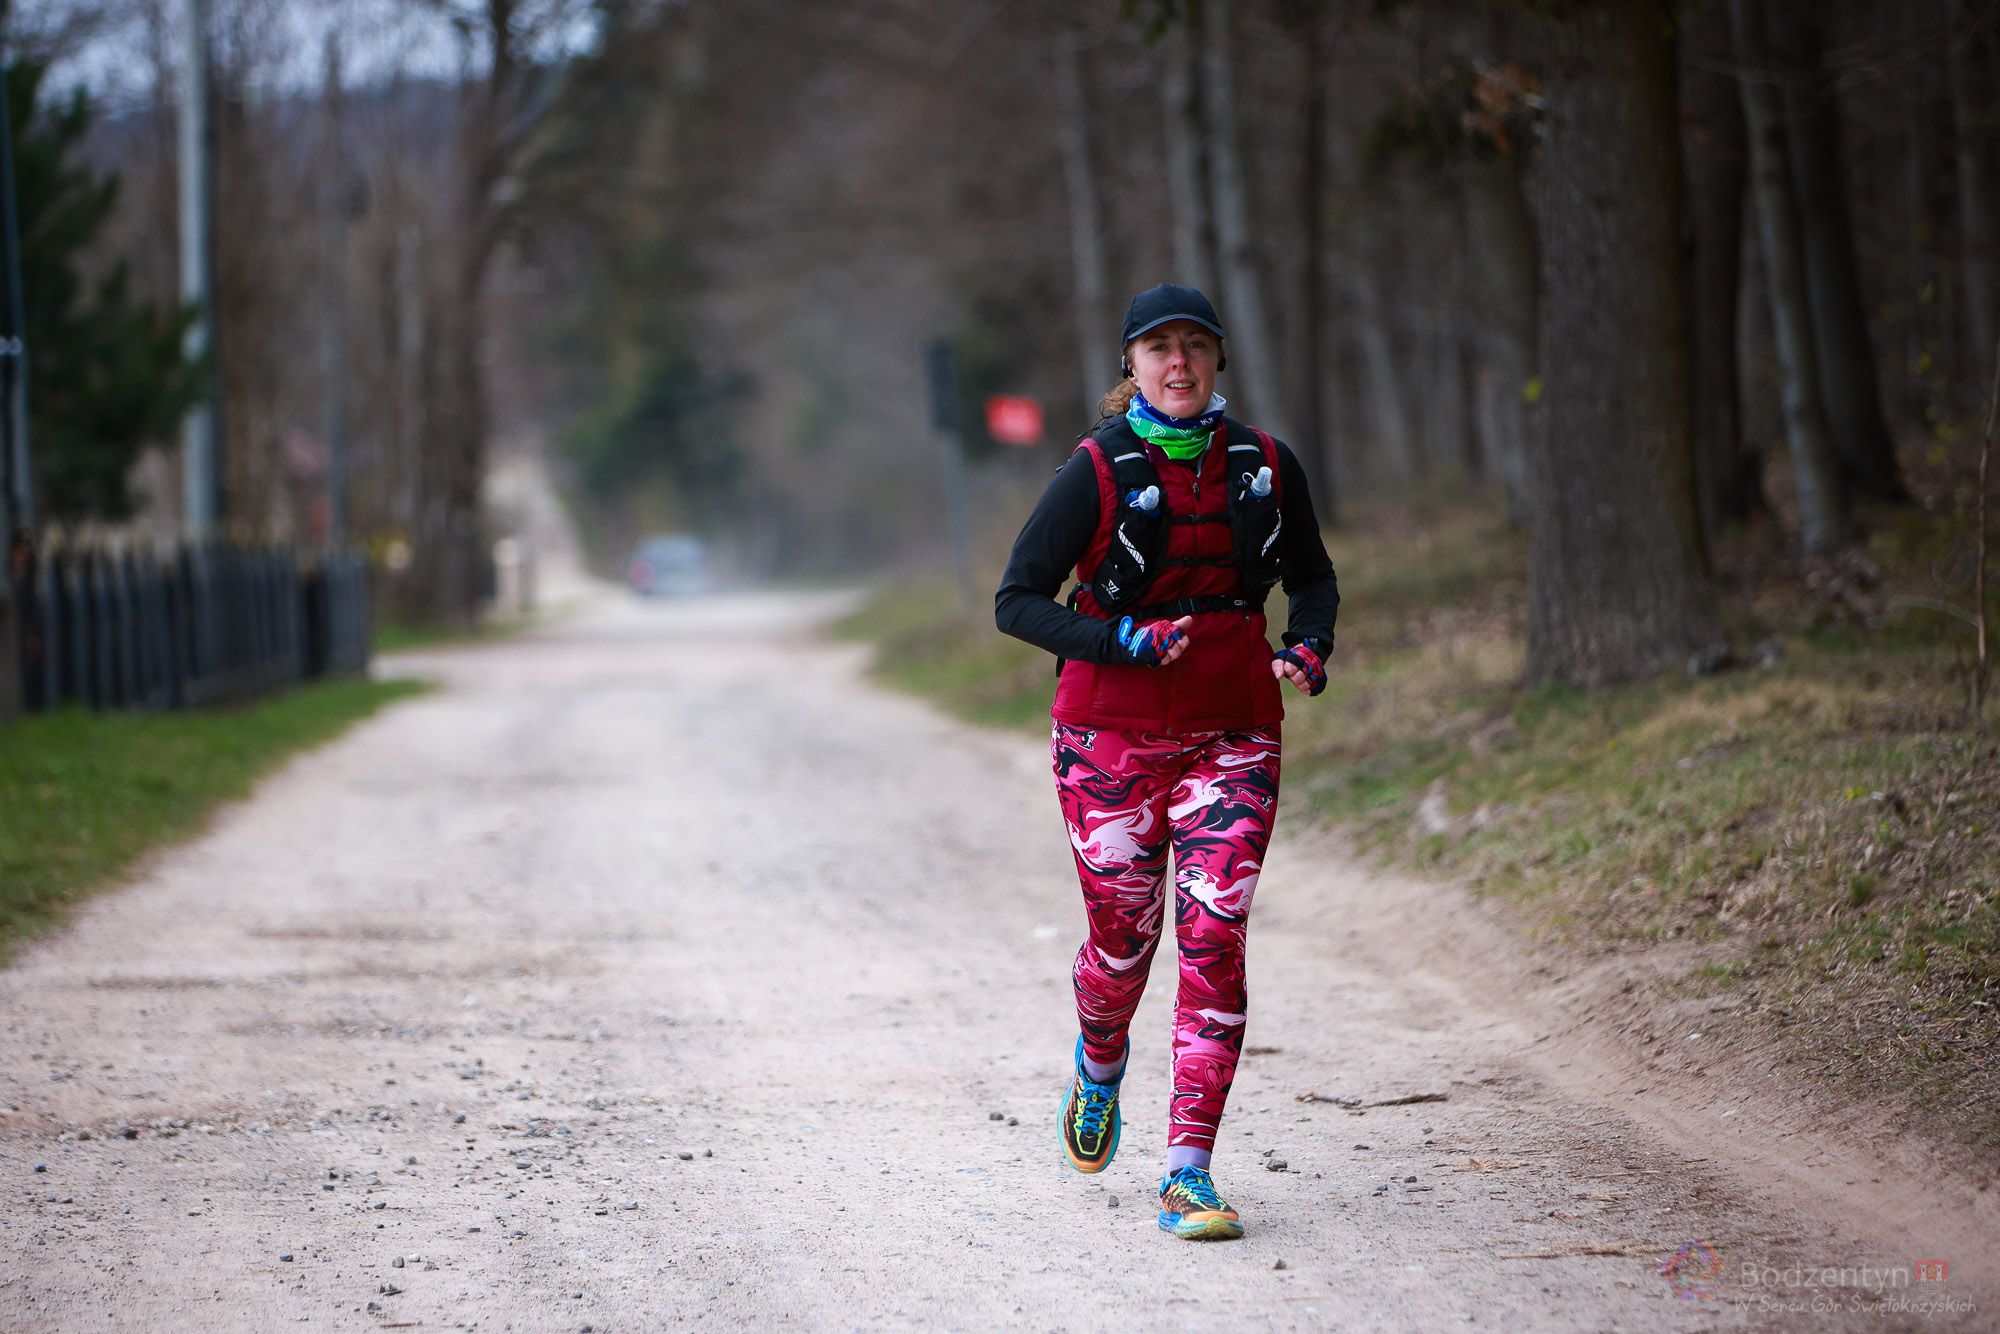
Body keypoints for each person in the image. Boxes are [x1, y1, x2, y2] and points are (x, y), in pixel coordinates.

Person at [995, 283, 1339, 1241]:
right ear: (1132, 365)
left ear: (1218, 357)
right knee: (1122, 943)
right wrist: (1123, 641)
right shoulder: (1094, 470)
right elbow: (1017, 601)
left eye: (1194, 344)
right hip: (1109, 736)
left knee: (1216, 935)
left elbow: (1312, 576)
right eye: (1159, 347)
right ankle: (1099, 1062)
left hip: (1234, 732)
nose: (1177, 362)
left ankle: (1189, 1171)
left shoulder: (1265, 464)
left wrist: (1309, 643)